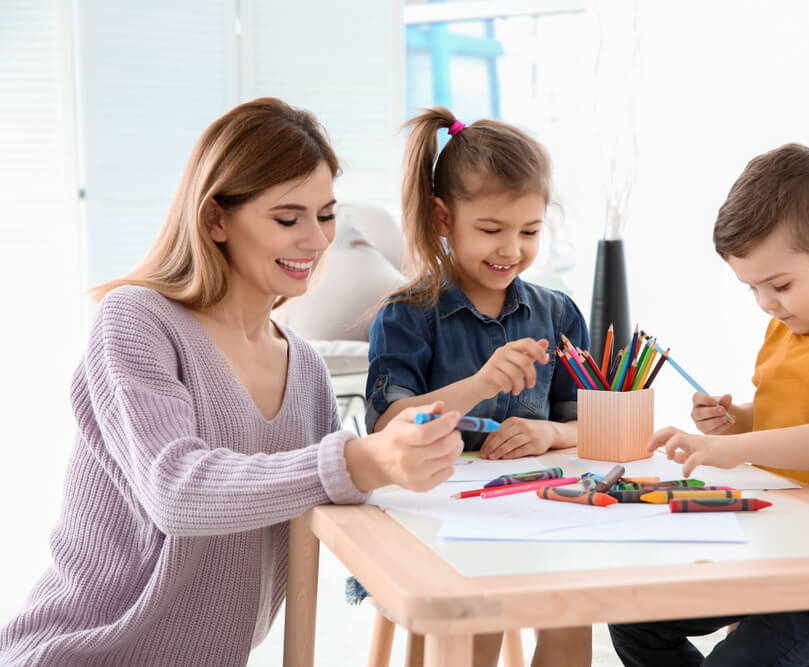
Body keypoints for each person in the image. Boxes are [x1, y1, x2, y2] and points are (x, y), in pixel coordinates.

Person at [0, 98, 463, 666]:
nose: (317, 242)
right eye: (288, 218)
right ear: (216, 219)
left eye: (325, 215)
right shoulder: (136, 321)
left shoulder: (306, 369)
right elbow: (175, 490)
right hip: (80, 655)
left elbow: (324, 506)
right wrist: (361, 462)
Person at [609, 143, 809, 666]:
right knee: (633, 621)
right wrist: (734, 424)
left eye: (779, 285)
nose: (766, 303)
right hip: (770, 547)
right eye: (752, 288)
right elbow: (794, 416)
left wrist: (738, 447)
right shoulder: (786, 327)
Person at [364, 107, 592, 666]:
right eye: (490, 230)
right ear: (444, 219)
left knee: (573, 616)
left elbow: (591, 423)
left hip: (538, 507)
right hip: (443, 518)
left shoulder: (557, 314)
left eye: (530, 231)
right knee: (475, 627)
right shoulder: (408, 315)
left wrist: (549, 435)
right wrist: (481, 382)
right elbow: (388, 426)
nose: (511, 249)